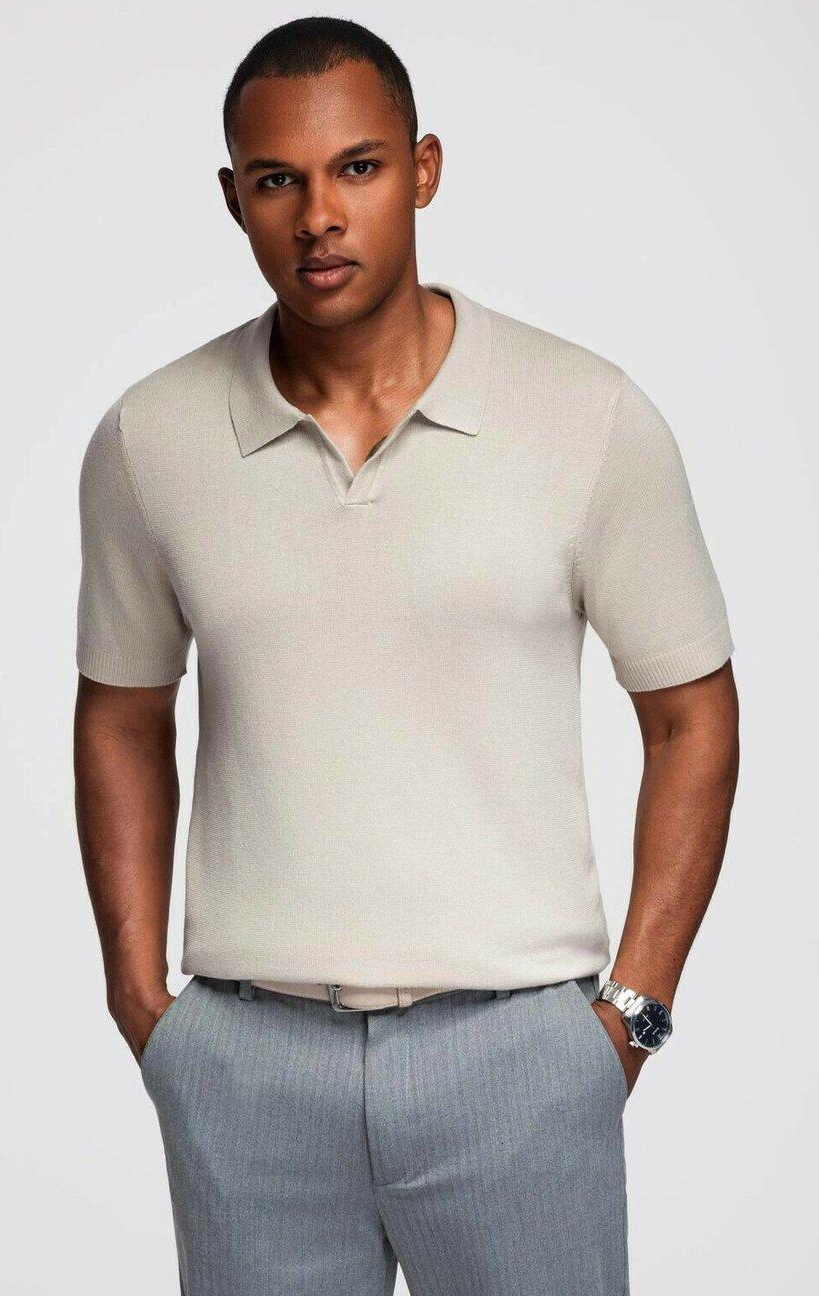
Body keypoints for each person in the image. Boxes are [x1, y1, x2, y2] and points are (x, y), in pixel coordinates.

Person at [73, 16, 739, 1296]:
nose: (320, 215)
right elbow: (120, 715)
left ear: (423, 170)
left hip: (518, 1060)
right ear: (235, 199)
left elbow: (692, 716)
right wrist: (141, 1003)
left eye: (359, 168)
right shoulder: (151, 439)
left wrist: (630, 1015)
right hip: (249, 1067)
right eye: (279, 180)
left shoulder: (586, 416)